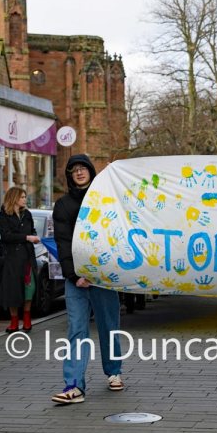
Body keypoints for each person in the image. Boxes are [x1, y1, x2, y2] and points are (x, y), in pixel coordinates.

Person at [51, 154, 125, 405]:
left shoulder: (104, 200)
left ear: (92, 172)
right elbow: (62, 242)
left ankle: (114, 371)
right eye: (74, 170)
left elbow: (116, 234)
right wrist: (73, 274)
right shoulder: (62, 206)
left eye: (83, 168)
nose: (79, 173)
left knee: (109, 326)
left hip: (104, 276)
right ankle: (73, 385)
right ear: (70, 176)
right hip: (77, 280)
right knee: (77, 330)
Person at [0, 186, 40, 334]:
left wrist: (34, 236)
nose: (25, 200)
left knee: (29, 289)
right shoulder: (3, 215)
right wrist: (27, 237)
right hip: (11, 259)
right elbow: (6, 236)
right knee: (12, 291)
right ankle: (14, 321)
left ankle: (27, 319)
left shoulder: (27, 214)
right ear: (14, 198)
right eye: (22, 197)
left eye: (25, 197)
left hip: (27, 257)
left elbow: (31, 230)